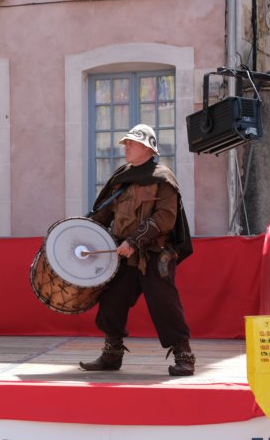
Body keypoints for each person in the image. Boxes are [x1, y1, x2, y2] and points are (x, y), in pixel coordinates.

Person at [80, 124, 195, 376]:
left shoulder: (163, 177)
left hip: (156, 252)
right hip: (122, 253)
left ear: (147, 147)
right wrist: (80, 234)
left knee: (164, 303)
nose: (126, 146)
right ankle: (111, 354)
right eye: (127, 143)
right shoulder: (121, 177)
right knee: (111, 300)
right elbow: (103, 212)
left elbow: (165, 217)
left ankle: (184, 356)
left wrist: (134, 241)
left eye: (131, 143)